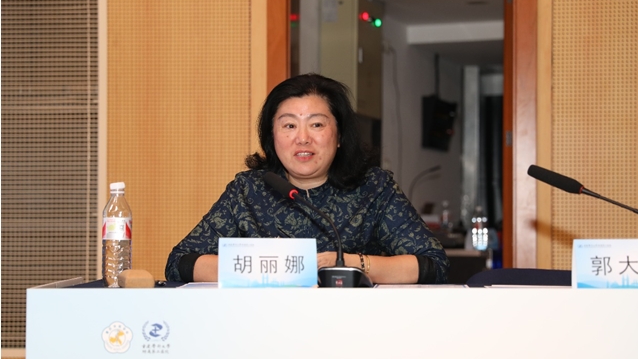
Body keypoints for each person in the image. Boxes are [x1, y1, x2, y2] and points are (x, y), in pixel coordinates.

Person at [165, 73, 450, 284]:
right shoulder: (248, 190)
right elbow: (180, 262)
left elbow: (433, 265)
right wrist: (269, 267)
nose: (302, 138)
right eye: (289, 125)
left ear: (339, 136)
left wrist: (349, 264)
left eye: (316, 124)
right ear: (272, 137)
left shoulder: (373, 188)